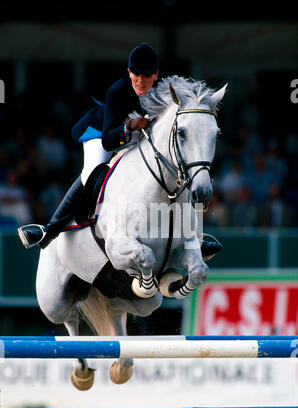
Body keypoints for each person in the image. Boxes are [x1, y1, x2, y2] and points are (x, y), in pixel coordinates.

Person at [18, 42, 222, 260]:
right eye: (136, 76)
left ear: (156, 75)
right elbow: (108, 141)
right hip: (105, 132)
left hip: (140, 139)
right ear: (129, 72)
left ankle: (193, 238)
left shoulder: (165, 91)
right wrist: (130, 126)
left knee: (176, 171)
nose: (141, 82)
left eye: (146, 76)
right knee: (92, 171)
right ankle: (49, 230)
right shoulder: (117, 91)